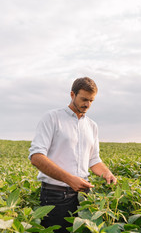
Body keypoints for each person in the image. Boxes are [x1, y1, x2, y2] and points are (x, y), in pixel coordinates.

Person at [28, 77, 117, 232]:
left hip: (84, 197)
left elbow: (94, 160)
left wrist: (107, 173)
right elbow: (36, 157)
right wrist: (69, 179)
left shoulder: (92, 126)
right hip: (55, 195)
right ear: (72, 94)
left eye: (91, 100)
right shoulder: (52, 118)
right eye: (84, 99)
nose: (87, 104)